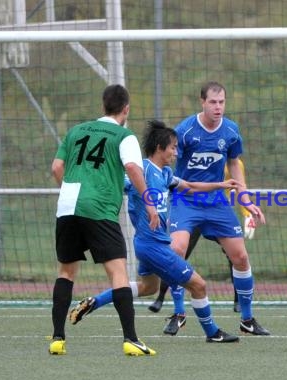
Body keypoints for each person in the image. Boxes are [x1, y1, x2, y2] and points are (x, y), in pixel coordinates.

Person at [68, 120, 240, 343]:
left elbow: (189, 186)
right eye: (173, 147)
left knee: (149, 287)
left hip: (151, 243)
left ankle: (94, 302)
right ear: (160, 148)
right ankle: (212, 332)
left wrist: (221, 184)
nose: (176, 152)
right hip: (152, 245)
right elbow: (116, 182)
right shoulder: (142, 171)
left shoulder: (165, 173)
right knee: (199, 285)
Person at [49, 84, 159, 356]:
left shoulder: (76, 131)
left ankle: (57, 338)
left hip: (67, 206)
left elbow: (56, 167)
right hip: (98, 208)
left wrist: (73, 190)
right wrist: (149, 203)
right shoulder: (124, 135)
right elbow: (133, 167)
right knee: (118, 272)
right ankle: (131, 340)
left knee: (66, 272)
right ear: (126, 109)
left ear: (103, 106)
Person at [169, 81, 270, 336]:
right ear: (202, 102)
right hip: (185, 200)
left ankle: (247, 319)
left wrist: (245, 199)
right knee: (176, 251)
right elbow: (168, 159)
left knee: (241, 257)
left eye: (222, 102)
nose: (218, 107)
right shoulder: (185, 131)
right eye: (213, 102)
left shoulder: (231, 131)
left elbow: (234, 164)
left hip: (216, 202)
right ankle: (179, 313)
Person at [149, 159, 255, 336]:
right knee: (177, 255)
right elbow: (180, 182)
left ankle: (241, 307)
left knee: (237, 257)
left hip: (216, 212)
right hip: (189, 210)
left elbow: (239, 187)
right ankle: (174, 308)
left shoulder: (234, 163)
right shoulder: (189, 152)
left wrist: (247, 213)